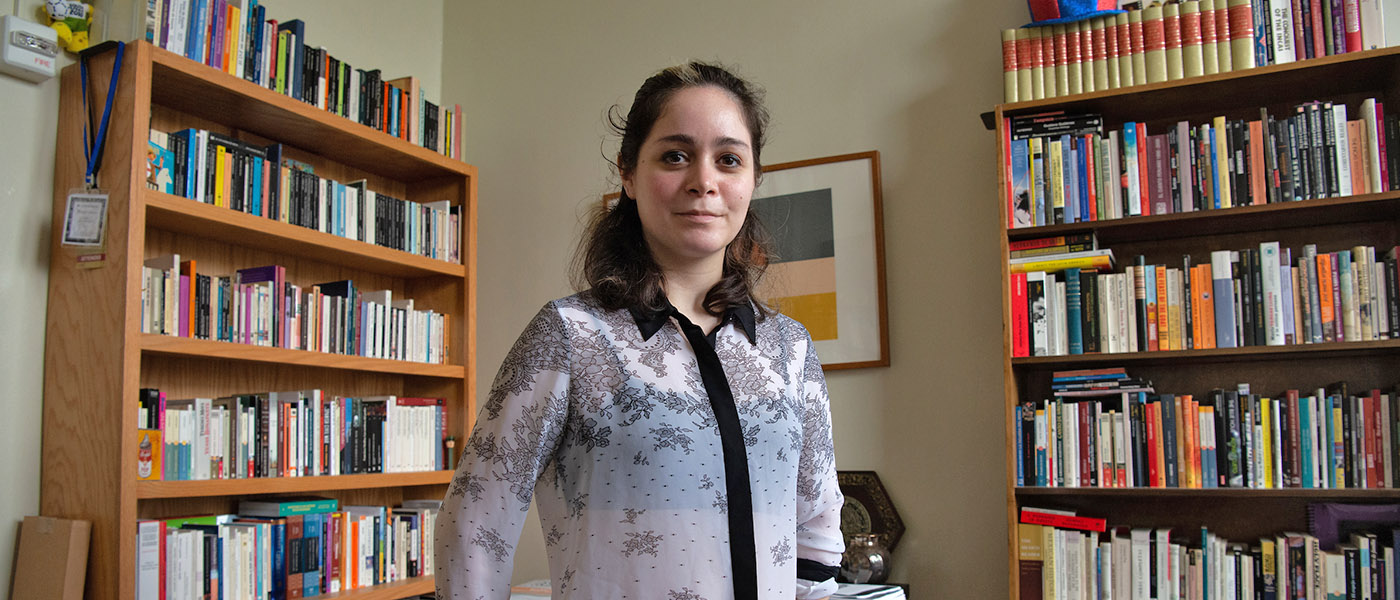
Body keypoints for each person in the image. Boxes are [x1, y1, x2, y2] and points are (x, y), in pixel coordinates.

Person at [435, 61, 845, 600]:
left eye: (728, 159)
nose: (704, 181)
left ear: (752, 179)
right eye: (675, 156)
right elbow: (474, 526)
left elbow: (816, 529)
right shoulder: (569, 335)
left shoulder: (788, 347)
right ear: (628, 173)